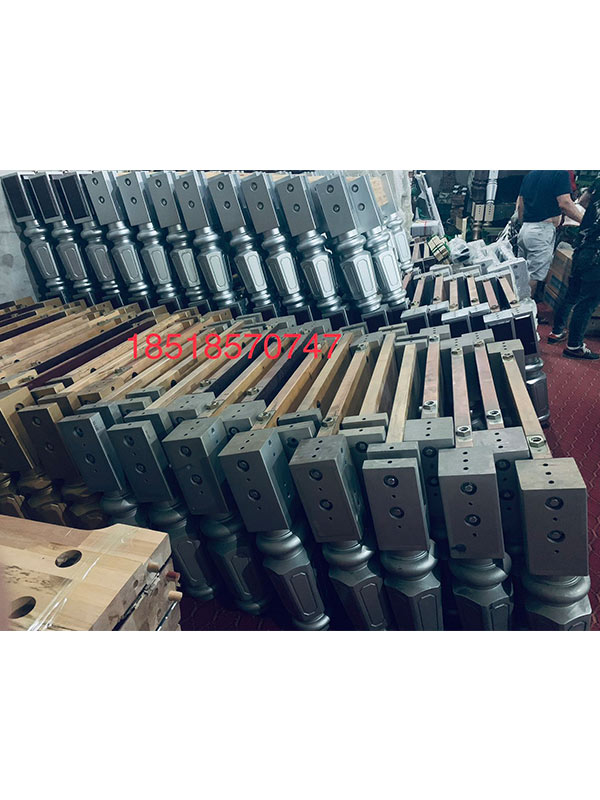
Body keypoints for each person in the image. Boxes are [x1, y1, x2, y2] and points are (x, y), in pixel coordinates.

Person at [547, 176, 600, 360]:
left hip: (583, 245)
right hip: (597, 253)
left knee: (572, 294)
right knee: (587, 302)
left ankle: (557, 331)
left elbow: (583, 201)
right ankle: (574, 346)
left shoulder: (598, 181)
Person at [516, 171, 584, 303]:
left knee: (521, 274)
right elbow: (565, 203)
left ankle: (516, 307)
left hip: (525, 229)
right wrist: (586, 222)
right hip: (541, 232)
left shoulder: (530, 175)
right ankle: (524, 312)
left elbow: (520, 205)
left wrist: (523, 224)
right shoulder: (560, 173)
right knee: (533, 277)